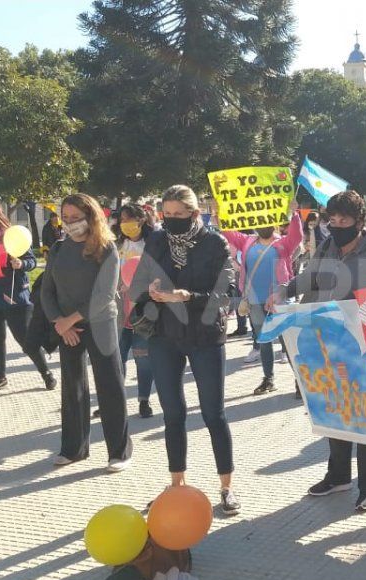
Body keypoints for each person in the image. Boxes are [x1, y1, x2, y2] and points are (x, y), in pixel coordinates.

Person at [268, 190, 366, 512]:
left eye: (345, 220)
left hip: (364, 347)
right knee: (336, 411)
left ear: (359, 222)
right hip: (326, 343)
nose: (337, 225)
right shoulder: (326, 248)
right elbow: (307, 278)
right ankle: (338, 476)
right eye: (333, 219)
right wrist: (285, 289)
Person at [131, 185, 240, 514]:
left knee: (213, 414)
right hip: (164, 335)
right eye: (167, 214)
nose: (172, 221)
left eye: (180, 214)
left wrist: (188, 297)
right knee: (173, 414)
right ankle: (176, 484)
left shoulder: (214, 243)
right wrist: (149, 291)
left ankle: (227, 487)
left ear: (195, 214)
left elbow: (227, 293)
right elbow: (138, 286)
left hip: (205, 335)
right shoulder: (157, 240)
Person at [42, 194, 133, 472]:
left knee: (109, 385)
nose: (70, 224)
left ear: (90, 217)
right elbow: (46, 290)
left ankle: (119, 451)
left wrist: (69, 320)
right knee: (73, 386)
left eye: (76, 218)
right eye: (65, 218)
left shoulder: (107, 249)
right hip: (67, 326)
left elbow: (104, 294)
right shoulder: (58, 249)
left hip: (100, 323)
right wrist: (59, 321)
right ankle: (74, 448)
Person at [0, 201, 57, 393]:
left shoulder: (12, 237)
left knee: (26, 340)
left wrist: (21, 264)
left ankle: (46, 373)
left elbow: (31, 261)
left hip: (14, 297)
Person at [222, 210, 302, 395]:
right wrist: (222, 212)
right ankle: (268, 379)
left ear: (273, 223)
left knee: (288, 341)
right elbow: (228, 232)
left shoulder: (282, 243)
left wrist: (294, 213)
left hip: (280, 300)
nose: (262, 226)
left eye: (266, 222)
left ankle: (299, 380)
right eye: (259, 223)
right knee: (263, 340)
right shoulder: (247, 241)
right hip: (255, 300)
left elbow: (297, 235)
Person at [116, 203, 157, 418]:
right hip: (120, 311)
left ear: (140, 220)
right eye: (121, 220)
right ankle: (114, 401)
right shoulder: (119, 245)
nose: (124, 224)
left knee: (142, 358)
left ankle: (144, 400)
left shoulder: (152, 244)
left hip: (143, 311)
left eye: (128, 219)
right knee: (117, 358)